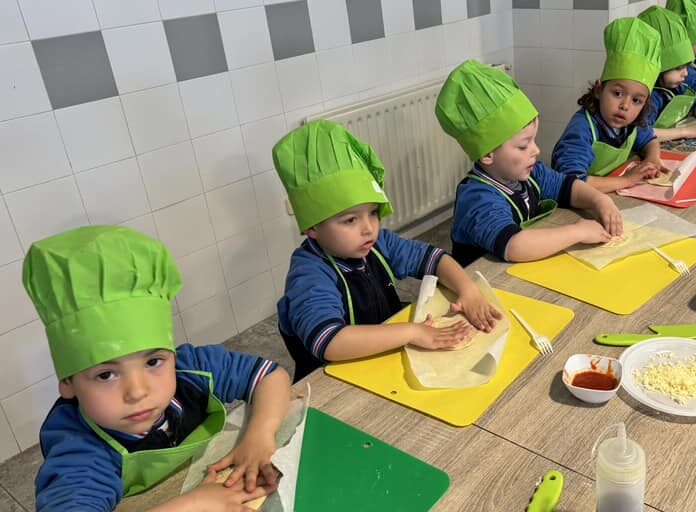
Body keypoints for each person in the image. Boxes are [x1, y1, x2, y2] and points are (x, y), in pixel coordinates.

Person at [27, 225, 292, 511]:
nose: (138, 391)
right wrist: (193, 506)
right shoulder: (81, 452)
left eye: (153, 362)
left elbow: (269, 376)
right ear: (68, 382)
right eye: (106, 374)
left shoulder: (190, 370)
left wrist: (260, 434)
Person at [274, 120, 501, 381]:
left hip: (385, 360)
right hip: (334, 382)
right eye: (350, 220)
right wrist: (413, 333)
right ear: (312, 227)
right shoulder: (309, 274)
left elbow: (435, 259)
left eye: (373, 213)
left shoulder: (378, 243)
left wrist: (468, 291)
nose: (369, 228)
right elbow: (330, 342)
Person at [436, 59, 624, 265]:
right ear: (488, 154)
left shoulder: (530, 174)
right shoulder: (479, 200)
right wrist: (577, 231)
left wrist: (600, 201)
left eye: (533, 140)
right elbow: (515, 246)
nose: (536, 150)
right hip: (482, 285)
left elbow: (566, 187)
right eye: (523, 146)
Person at [551, 17, 666, 192]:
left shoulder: (630, 125)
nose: (625, 106)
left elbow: (650, 139)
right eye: (618, 93)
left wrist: (652, 159)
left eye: (637, 100)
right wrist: (627, 180)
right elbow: (572, 182)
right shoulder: (583, 128)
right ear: (599, 90)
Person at [640, 6, 696, 141]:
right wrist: (684, 132)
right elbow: (643, 133)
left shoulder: (676, 86)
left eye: (687, 66)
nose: (685, 73)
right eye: (678, 68)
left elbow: (695, 100)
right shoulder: (648, 99)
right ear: (658, 69)